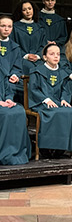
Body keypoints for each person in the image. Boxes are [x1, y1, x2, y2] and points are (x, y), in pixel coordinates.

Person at [30, 43, 72, 159]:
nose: (56, 56)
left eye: (58, 54)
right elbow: (34, 89)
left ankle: (62, 148)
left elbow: (65, 90)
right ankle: (45, 148)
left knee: (70, 112)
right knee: (54, 113)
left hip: (58, 102)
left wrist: (64, 99)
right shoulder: (37, 71)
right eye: (52, 54)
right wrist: (46, 99)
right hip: (41, 103)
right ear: (45, 57)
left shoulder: (62, 73)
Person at [0, 17, 25, 165]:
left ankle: (16, 154)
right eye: (3, 26)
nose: (6, 29)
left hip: (8, 87)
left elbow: (17, 67)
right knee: (5, 114)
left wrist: (15, 74)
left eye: (9, 26)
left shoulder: (15, 47)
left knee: (18, 111)